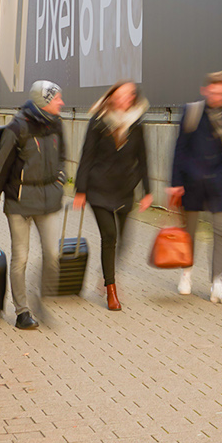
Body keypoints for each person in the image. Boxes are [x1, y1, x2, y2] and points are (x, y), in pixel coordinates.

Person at [0, 79, 66, 329]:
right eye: (57, 98)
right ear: (45, 101)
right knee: (21, 257)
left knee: (52, 254)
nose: (62, 102)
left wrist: (60, 178)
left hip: (47, 199)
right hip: (19, 201)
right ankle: (22, 312)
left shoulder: (57, 125)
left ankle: (41, 297)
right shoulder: (18, 127)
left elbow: (62, 156)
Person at [167, 70, 222, 304]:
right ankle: (186, 273)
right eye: (215, 91)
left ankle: (218, 283)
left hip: (218, 182)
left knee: (221, 233)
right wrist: (175, 183)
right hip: (191, 183)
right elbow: (179, 149)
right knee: (189, 233)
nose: (219, 96)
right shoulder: (192, 112)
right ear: (205, 90)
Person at [72, 79, 153, 311]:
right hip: (99, 189)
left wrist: (147, 191)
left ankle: (107, 274)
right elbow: (86, 156)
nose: (124, 98)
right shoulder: (99, 121)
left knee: (123, 240)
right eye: (121, 94)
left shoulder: (137, 123)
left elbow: (144, 158)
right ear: (112, 96)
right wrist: (81, 190)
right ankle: (111, 290)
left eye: (129, 95)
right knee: (110, 236)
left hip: (125, 189)